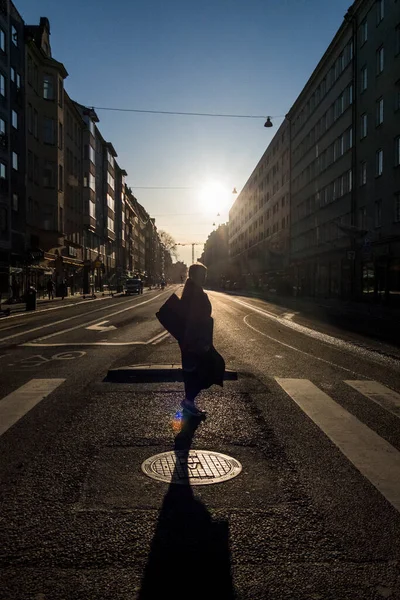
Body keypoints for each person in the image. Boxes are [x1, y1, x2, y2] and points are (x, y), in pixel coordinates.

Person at [179, 263, 225, 417]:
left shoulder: (192, 290)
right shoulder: (195, 293)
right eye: (203, 275)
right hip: (197, 340)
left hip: (193, 340)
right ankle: (189, 401)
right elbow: (194, 319)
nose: (205, 278)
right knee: (209, 368)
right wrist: (200, 343)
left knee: (196, 371)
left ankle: (189, 401)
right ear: (195, 276)